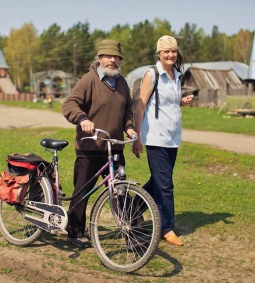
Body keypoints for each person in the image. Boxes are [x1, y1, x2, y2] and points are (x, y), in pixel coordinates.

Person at [62, 39, 136, 248]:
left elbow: (127, 110)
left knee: (121, 191)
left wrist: (129, 127)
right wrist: (82, 119)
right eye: (108, 56)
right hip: (90, 148)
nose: (112, 60)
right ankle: (74, 233)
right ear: (100, 58)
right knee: (82, 194)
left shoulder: (121, 82)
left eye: (116, 57)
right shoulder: (89, 80)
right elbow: (69, 104)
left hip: (115, 148)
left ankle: (134, 233)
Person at [132, 35, 193, 246]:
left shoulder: (176, 74)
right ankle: (167, 228)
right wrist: (136, 137)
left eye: (173, 51)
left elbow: (166, 101)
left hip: (172, 137)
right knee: (165, 185)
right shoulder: (152, 74)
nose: (170, 54)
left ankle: (132, 208)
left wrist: (181, 100)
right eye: (166, 51)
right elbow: (141, 105)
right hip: (155, 137)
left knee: (159, 181)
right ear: (159, 53)